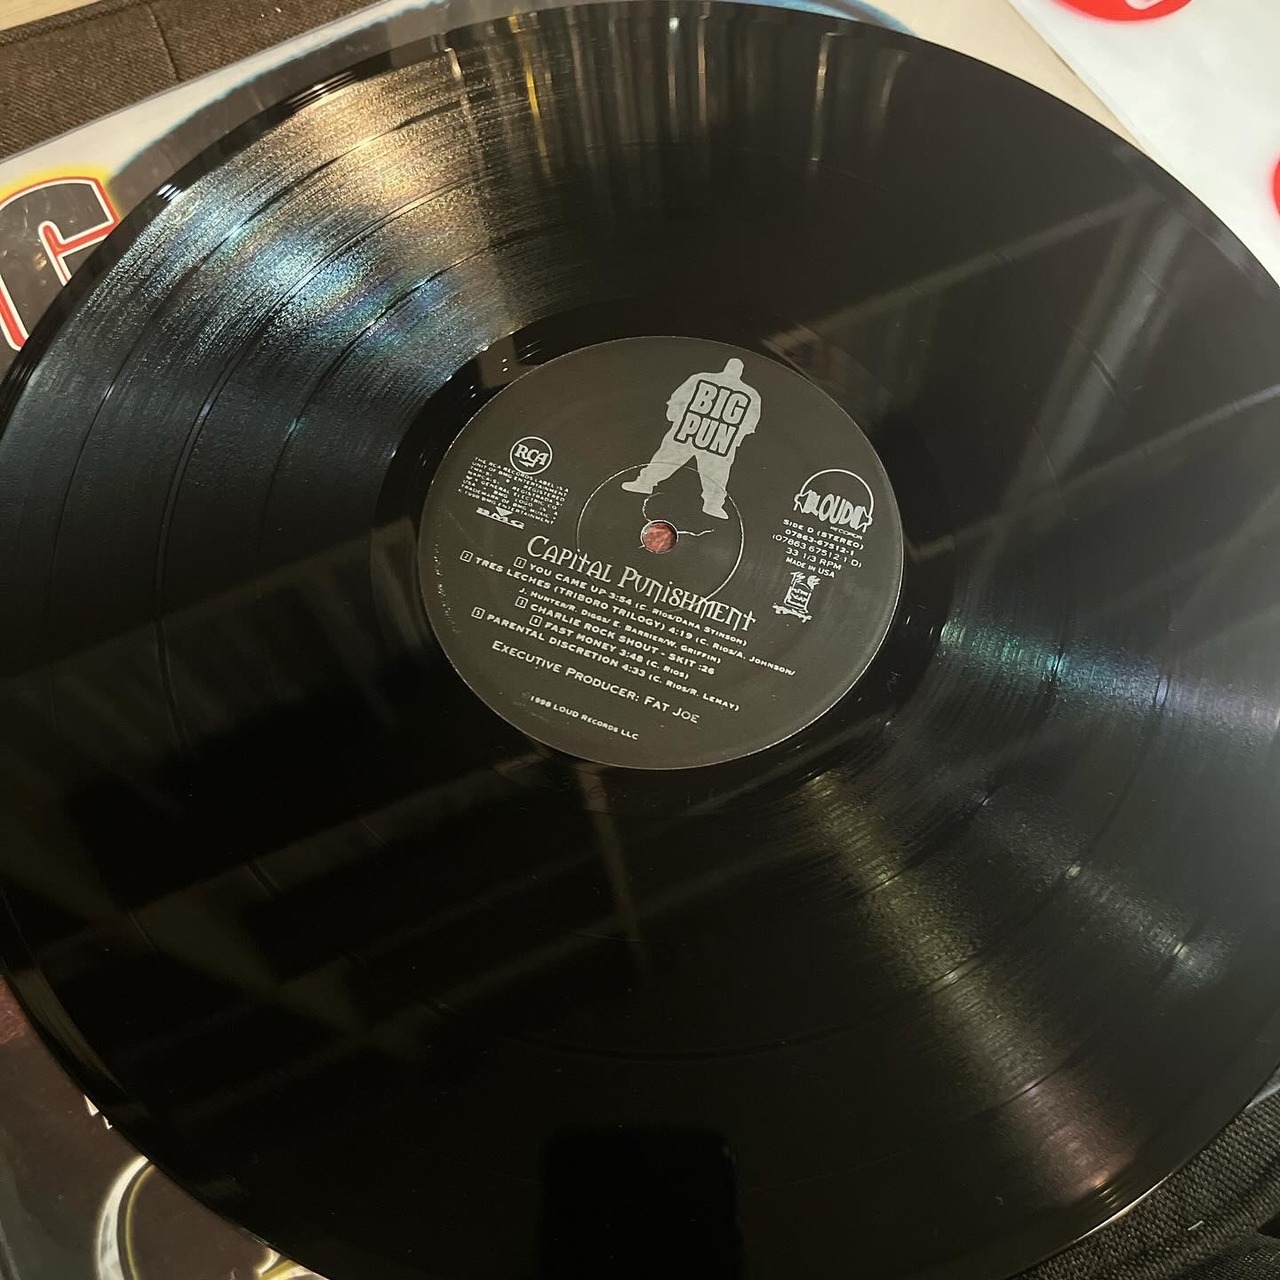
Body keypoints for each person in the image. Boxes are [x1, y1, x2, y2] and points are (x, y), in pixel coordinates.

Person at [622, 358, 761, 518]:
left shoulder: (703, 378)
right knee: (665, 461)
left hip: (701, 437)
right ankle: (645, 484)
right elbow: (749, 425)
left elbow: (676, 401)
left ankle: (713, 505)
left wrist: (675, 417)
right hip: (703, 438)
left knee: (714, 474)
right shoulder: (750, 394)